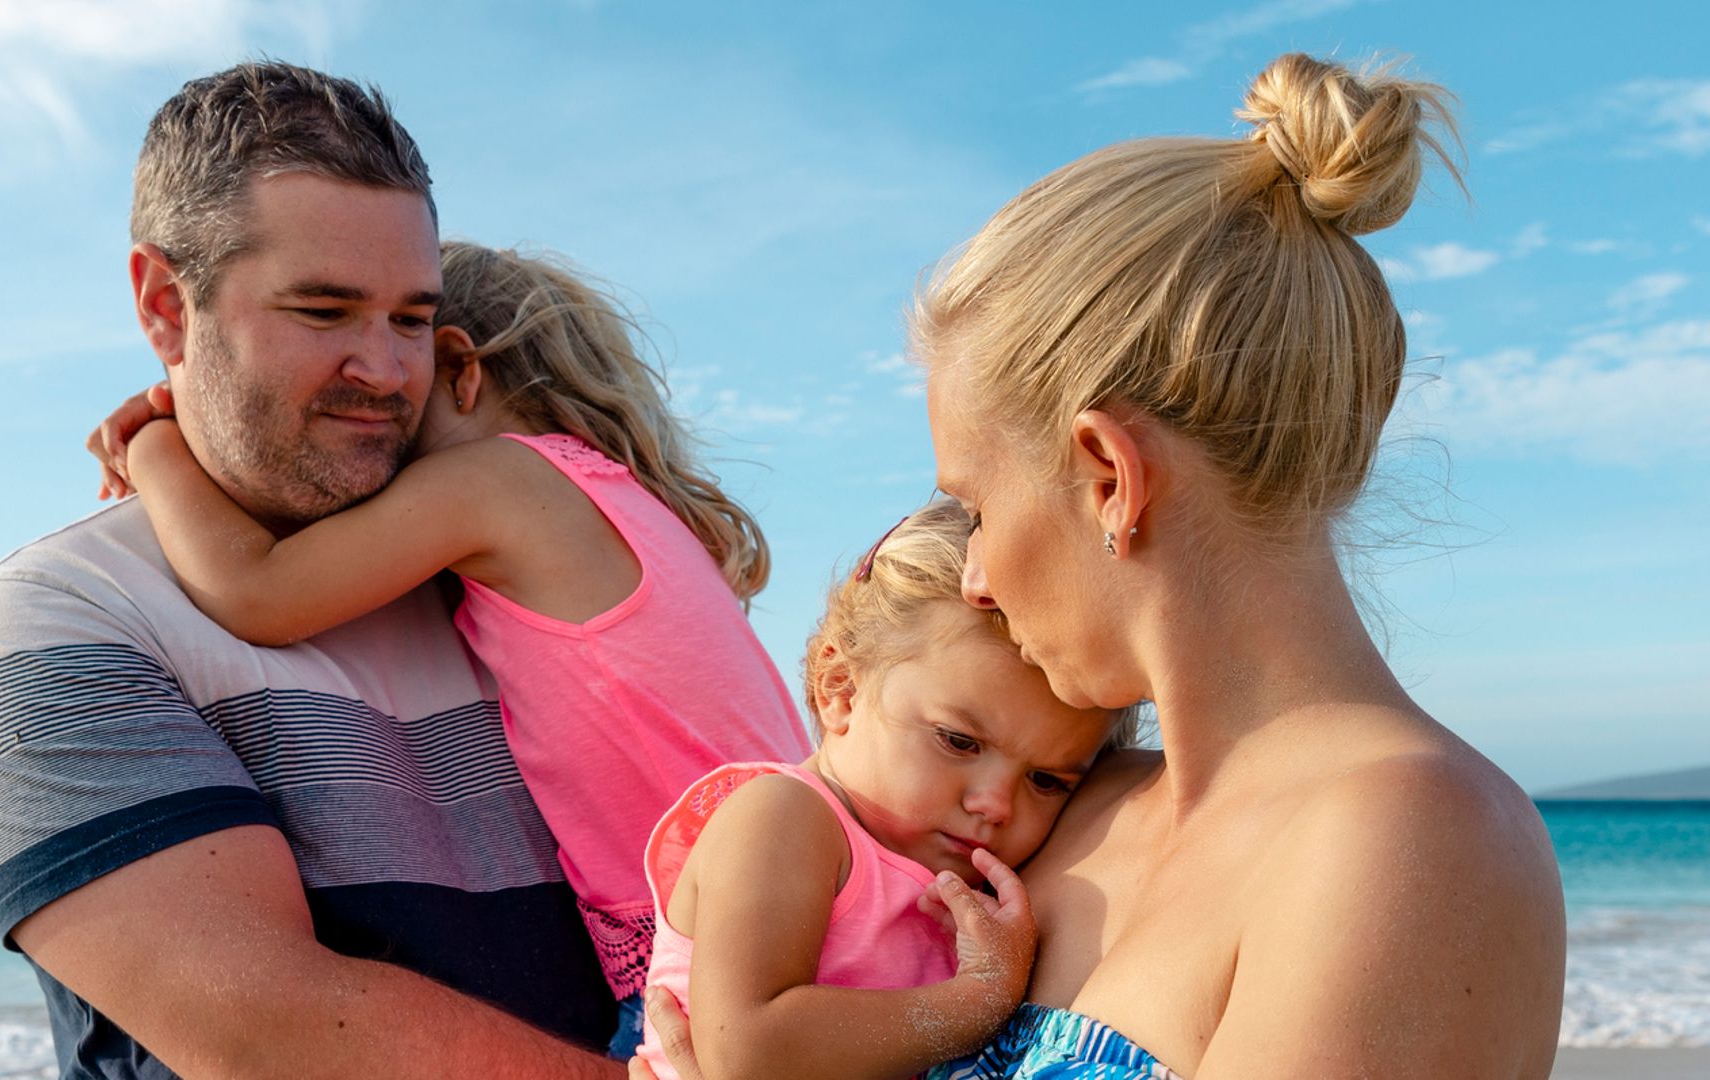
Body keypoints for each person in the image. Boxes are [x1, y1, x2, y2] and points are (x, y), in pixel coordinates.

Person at [643, 52, 1566, 1080]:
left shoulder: (1410, 845)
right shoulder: (1064, 812)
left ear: (1111, 477)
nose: (977, 576)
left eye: (978, 507)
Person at [0, 62, 636, 1077]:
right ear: (165, 305)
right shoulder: (60, 621)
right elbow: (274, 1029)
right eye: (323, 312)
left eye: (411, 319)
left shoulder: (515, 577)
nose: (388, 372)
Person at [87, 241, 811, 1058]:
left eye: (405, 383)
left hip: (720, 966)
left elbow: (258, 593)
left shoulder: (496, 481)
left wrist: (152, 443)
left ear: (461, 372)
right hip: (807, 915)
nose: (379, 412)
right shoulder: (625, 501)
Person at [632, 498, 1127, 1078]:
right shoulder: (783, 817)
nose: (995, 803)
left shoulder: (965, 879)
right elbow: (748, 1050)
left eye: (1046, 780)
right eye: (958, 741)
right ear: (840, 687)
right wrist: (978, 1002)